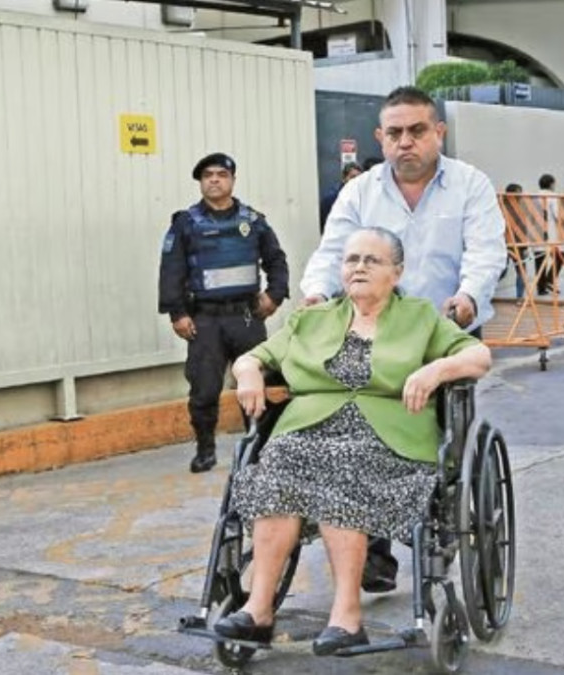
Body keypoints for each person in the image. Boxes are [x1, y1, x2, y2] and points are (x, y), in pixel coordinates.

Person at [216, 227, 492, 655]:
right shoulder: (313, 318)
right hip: (307, 430)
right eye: (351, 260)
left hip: (389, 438)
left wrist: (434, 371)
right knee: (277, 465)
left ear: (396, 273)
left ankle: (347, 616)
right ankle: (258, 609)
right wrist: (248, 372)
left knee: (345, 465)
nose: (358, 267)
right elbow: (258, 355)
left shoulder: (420, 317)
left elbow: (478, 356)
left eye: (372, 260)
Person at [301, 85, 506, 595]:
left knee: (432, 438)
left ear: (438, 132)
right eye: (395, 133)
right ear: (381, 137)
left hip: (444, 327)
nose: (406, 142)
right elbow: (333, 253)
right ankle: (370, 548)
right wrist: (314, 296)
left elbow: (485, 252)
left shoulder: (469, 185)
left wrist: (466, 300)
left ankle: (436, 520)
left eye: (417, 131)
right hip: (370, 330)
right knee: (358, 426)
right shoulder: (361, 191)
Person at [158, 152, 289, 473]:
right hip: (205, 320)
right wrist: (177, 313)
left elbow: (276, 260)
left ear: (232, 180)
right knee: (203, 389)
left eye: (220, 175)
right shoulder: (186, 223)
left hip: (246, 317)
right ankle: (205, 450)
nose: (214, 180)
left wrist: (274, 296)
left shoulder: (253, 221)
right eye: (207, 176)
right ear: (201, 183)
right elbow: (171, 270)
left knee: (255, 383)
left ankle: (256, 448)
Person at [319, 161, 363, 233]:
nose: (356, 181)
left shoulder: (363, 198)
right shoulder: (331, 199)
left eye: (359, 177)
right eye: (353, 177)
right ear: (344, 179)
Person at [535, 173, 560, 295]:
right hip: (550, 232)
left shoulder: (533, 196)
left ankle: (541, 288)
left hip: (536, 232)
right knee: (559, 257)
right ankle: (550, 280)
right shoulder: (552, 196)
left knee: (539, 260)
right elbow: (557, 215)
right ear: (551, 184)